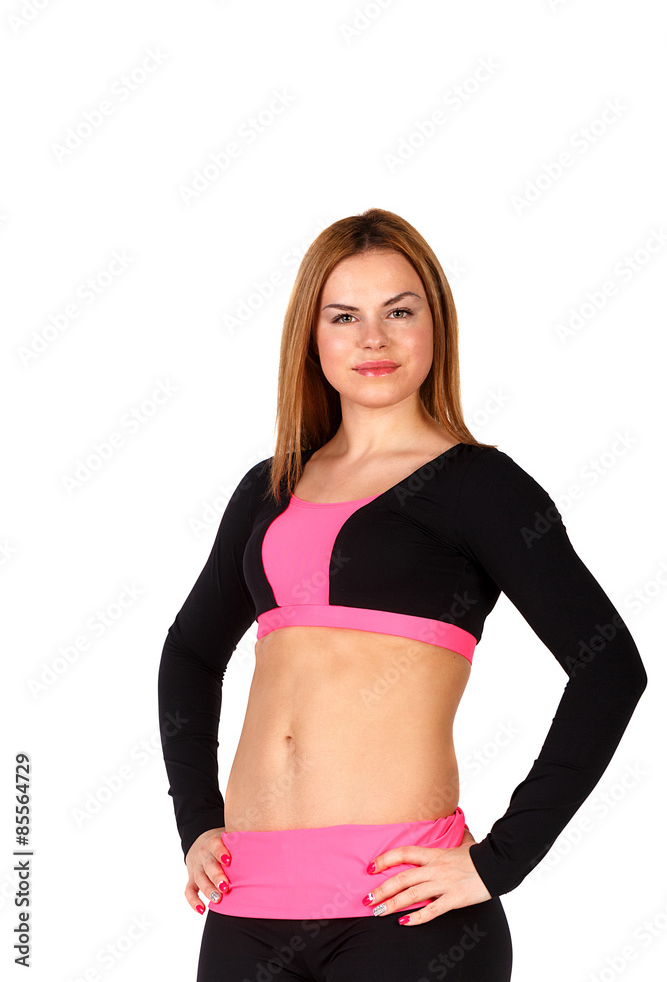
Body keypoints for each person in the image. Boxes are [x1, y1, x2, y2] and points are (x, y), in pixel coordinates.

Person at [157, 208, 647, 982]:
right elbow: (189, 653)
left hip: (406, 914)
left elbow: (608, 667)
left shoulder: (481, 486)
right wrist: (196, 821)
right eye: (343, 316)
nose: (372, 339)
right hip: (248, 907)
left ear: (434, 325)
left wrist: (501, 860)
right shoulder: (269, 488)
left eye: (398, 312)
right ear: (311, 336)